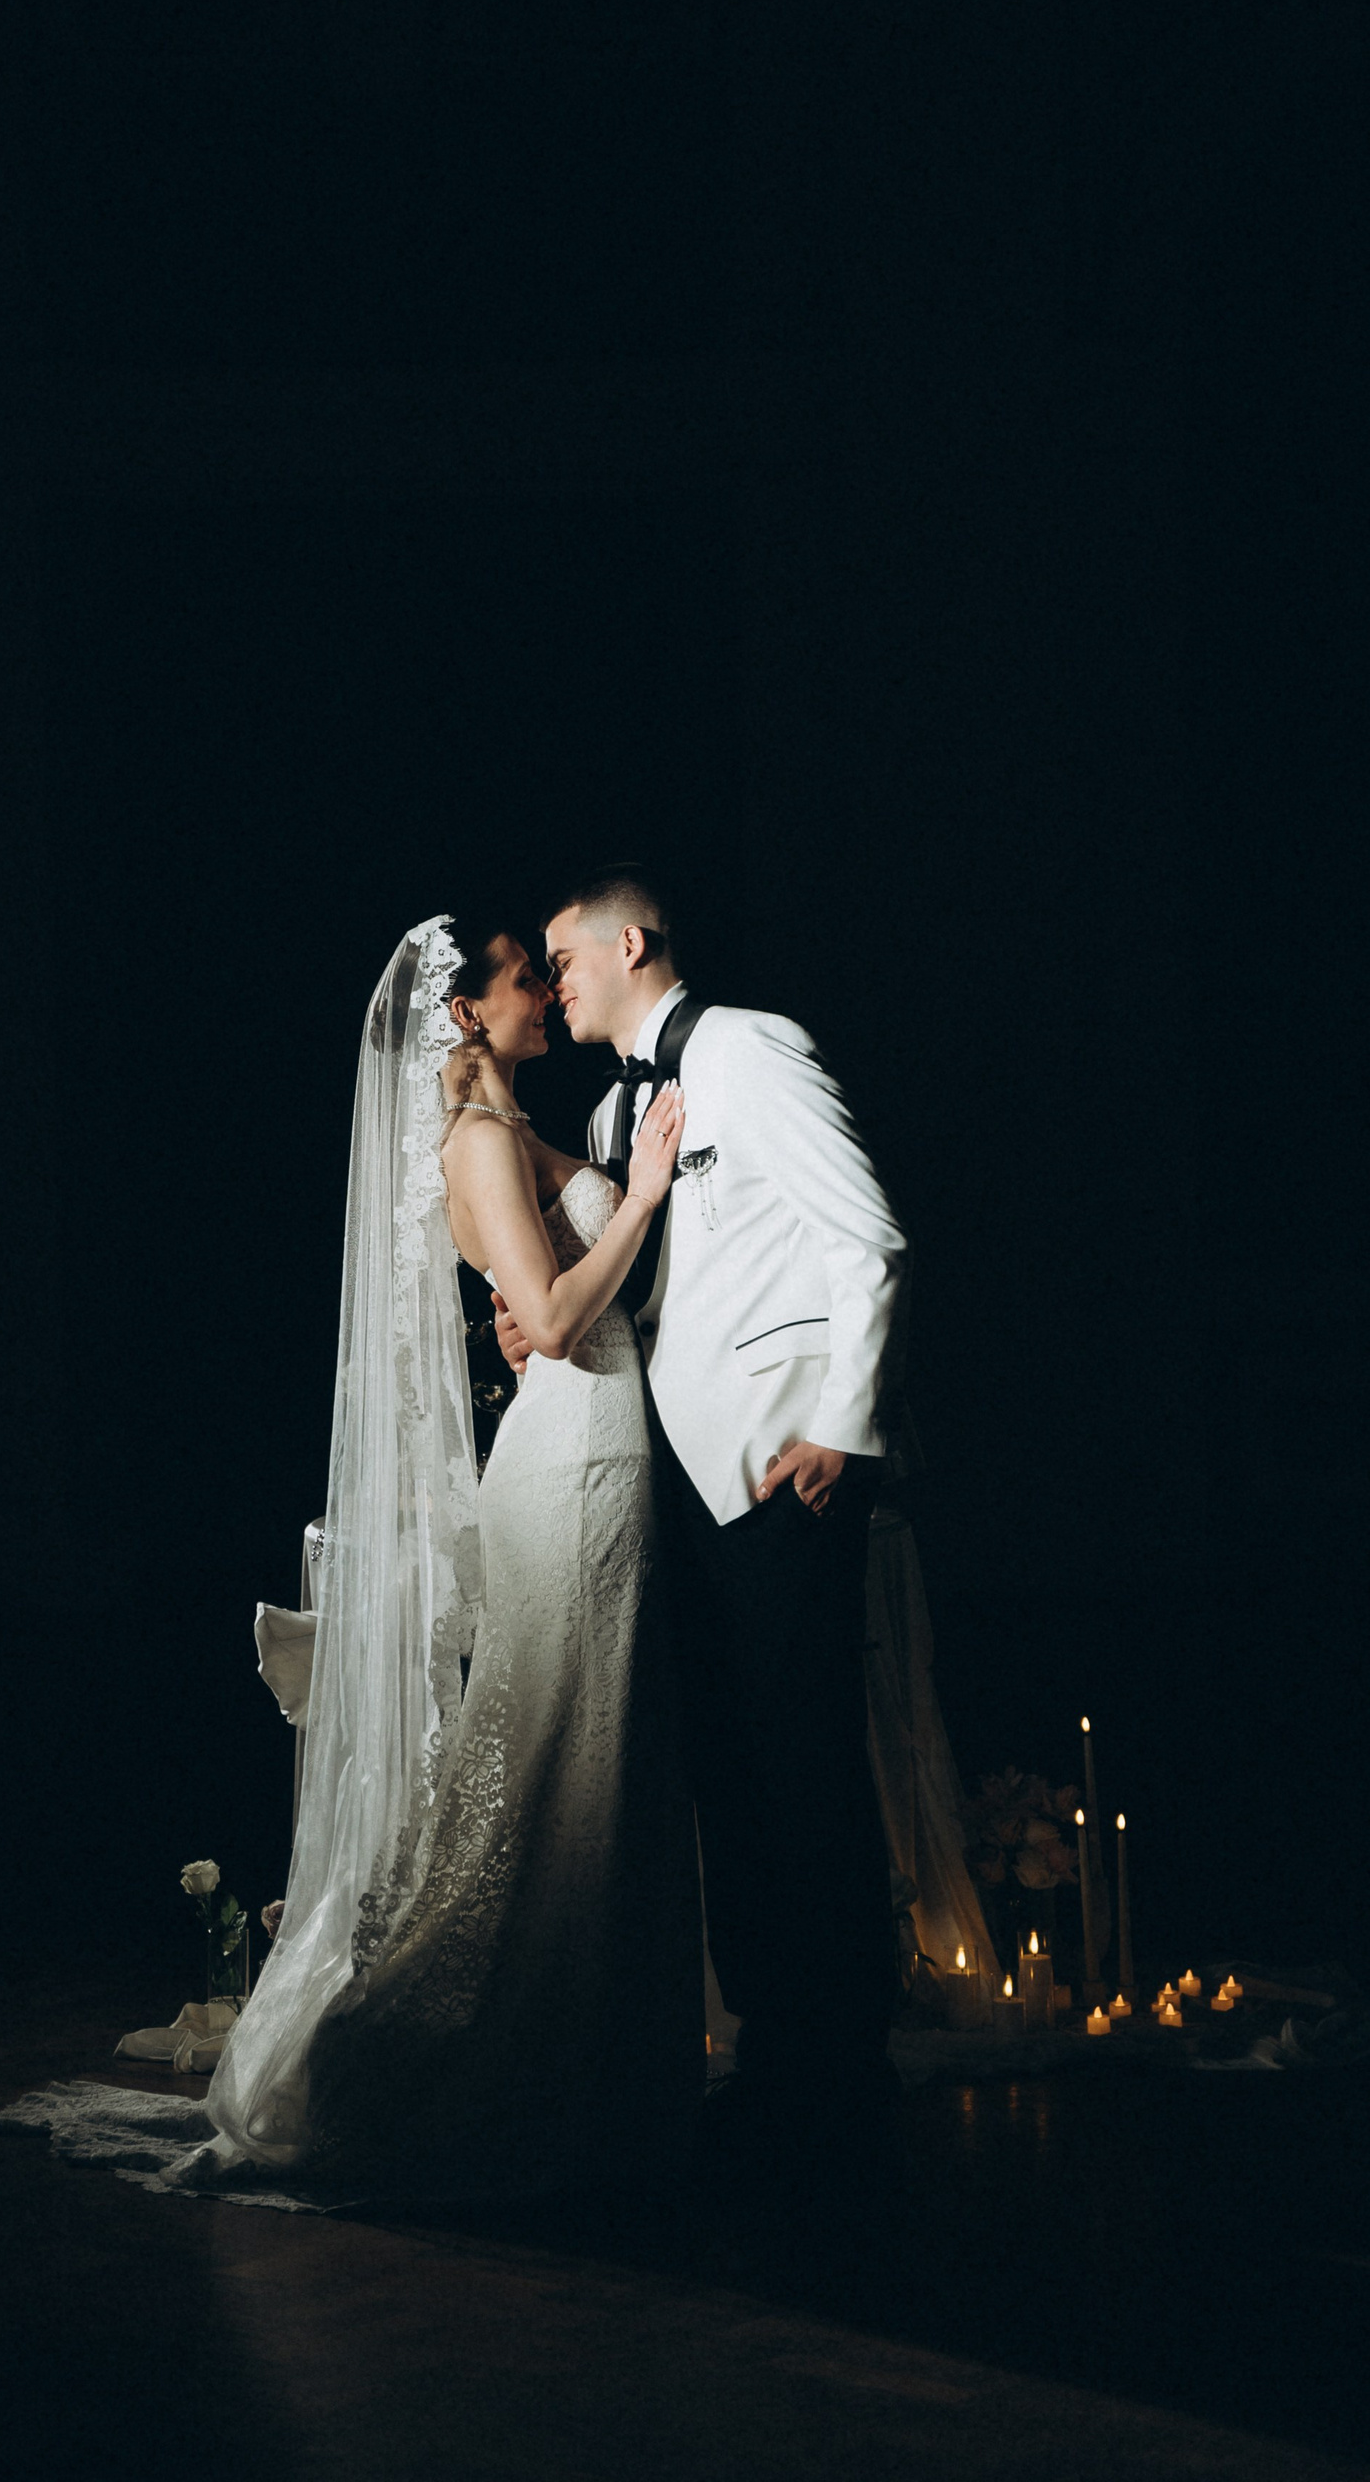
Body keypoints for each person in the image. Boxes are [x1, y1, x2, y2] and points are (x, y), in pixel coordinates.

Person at [0, 915, 701, 2204]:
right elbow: (550, 1319)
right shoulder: (476, 1139)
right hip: (575, 1459)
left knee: (590, 1759)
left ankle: (593, 2070)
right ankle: (433, 2062)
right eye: (524, 976)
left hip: (601, 1444)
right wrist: (643, 1194)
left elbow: (548, 1296)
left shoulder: (507, 1129)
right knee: (553, 1757)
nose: (546, 992)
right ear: (469, 1011)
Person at [500, 864, 908, 2153]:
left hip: (779, 1467)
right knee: (729, 1774)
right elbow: (647, 1288)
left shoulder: (749, 1049)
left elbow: (868, 1238)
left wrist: (844, 1423)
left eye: (565, 959)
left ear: (630, 944)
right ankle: (776, 2057)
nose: (554, 984)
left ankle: (842, 2071)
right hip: (671, 1478)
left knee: (805, 1769)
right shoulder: (614, 1109)